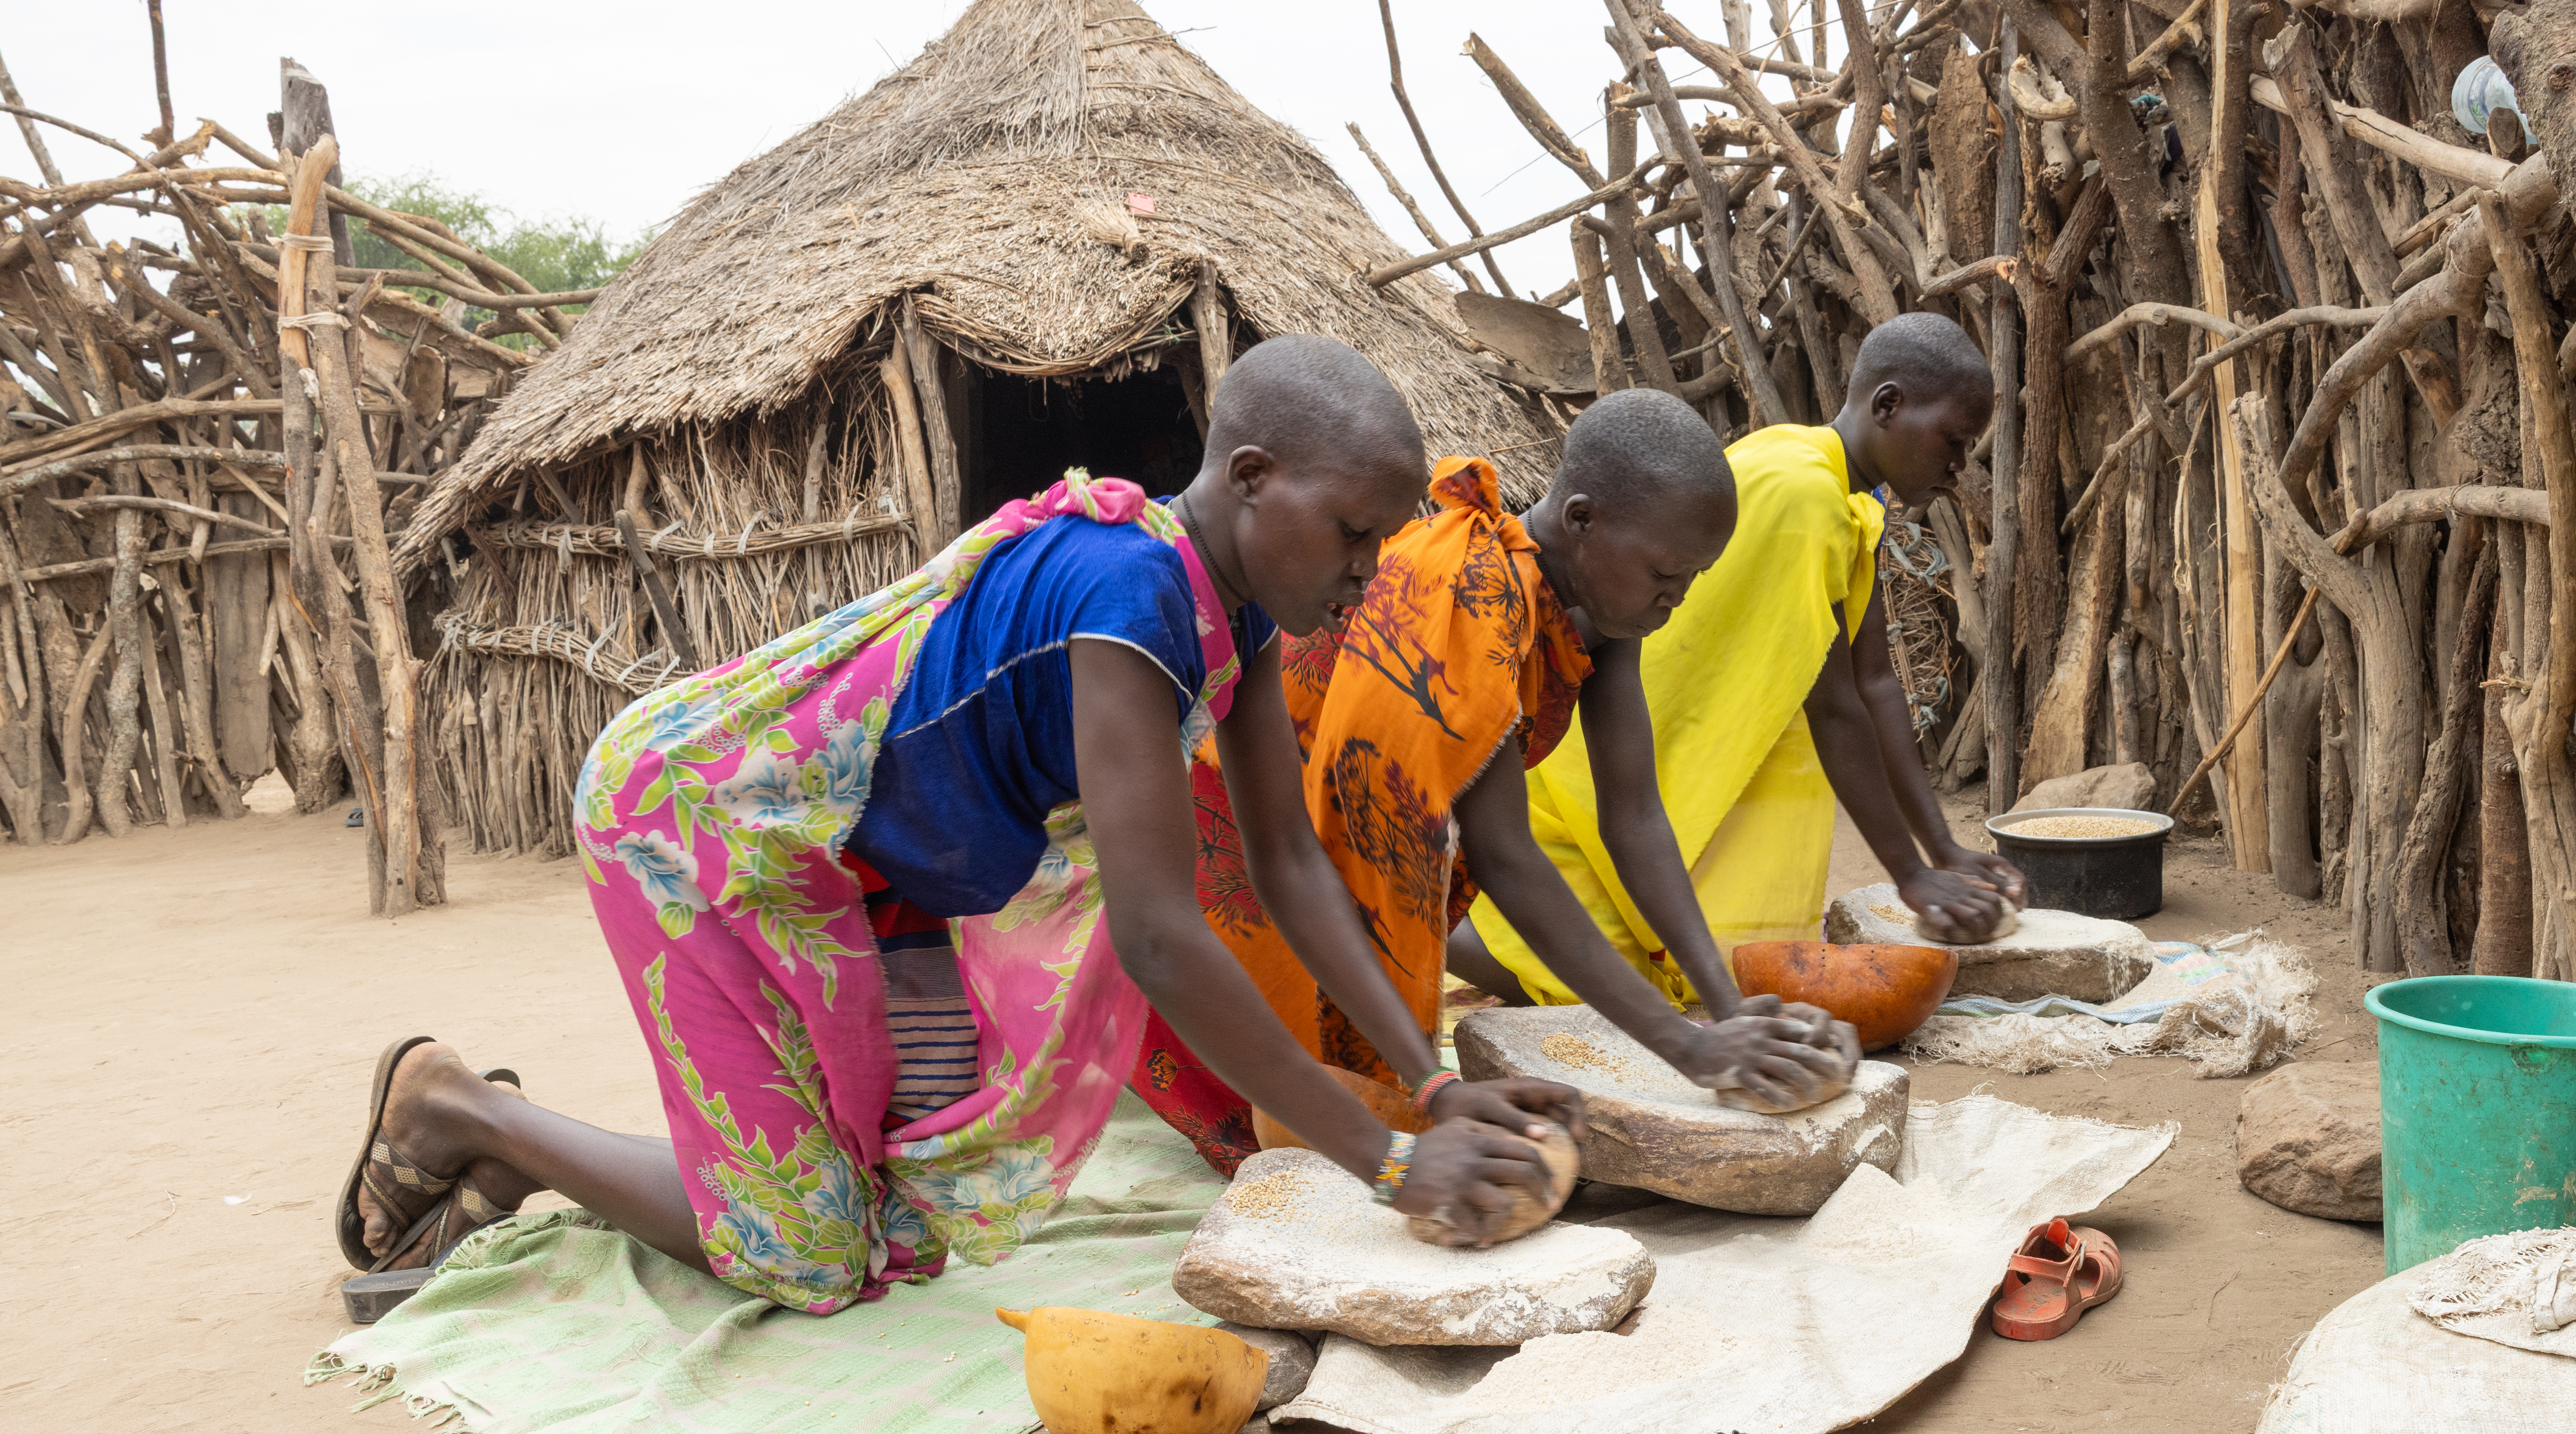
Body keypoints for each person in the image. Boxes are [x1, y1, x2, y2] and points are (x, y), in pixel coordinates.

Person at [331, 337, 1581, 1316]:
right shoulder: (1127, 592)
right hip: (703, 828)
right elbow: (1158, 936)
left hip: (873, 880)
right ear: (1253, 479)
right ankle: (464, 1111)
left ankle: (560, 1162)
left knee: (915, 1208)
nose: (1371, 569)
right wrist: (1383, 1159)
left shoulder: (1235, 608)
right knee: (808, 1259)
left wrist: (1421, 1080)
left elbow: (1289, 863)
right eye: (1356, 533)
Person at [1129, 390, 1856, 1174]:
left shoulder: (1602, 615)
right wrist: (1684, 1046)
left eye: (1690, 580)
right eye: (1663, 575)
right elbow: (1508, 857)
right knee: (1301, 1119)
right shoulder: (1479, 590)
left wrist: (1724, 1010)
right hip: (1253, 823)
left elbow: (1636, 816)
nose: (1673, 602)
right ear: (1581, 520)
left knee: (1369, 1094)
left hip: (1331, 844)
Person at [1454, 312, 2028, 1011]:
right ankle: (1402, 935)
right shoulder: (1802, 493)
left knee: (1683, 982)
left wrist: (1942, 854)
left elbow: (1875, 680)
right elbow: (1835, 703)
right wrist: (1912, 871)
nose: (1959, 467)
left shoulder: (1843, 496)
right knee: (1615, 981)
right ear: (1888, 407)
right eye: (1954, 441)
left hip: (1649, 759)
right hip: (1615, 765)